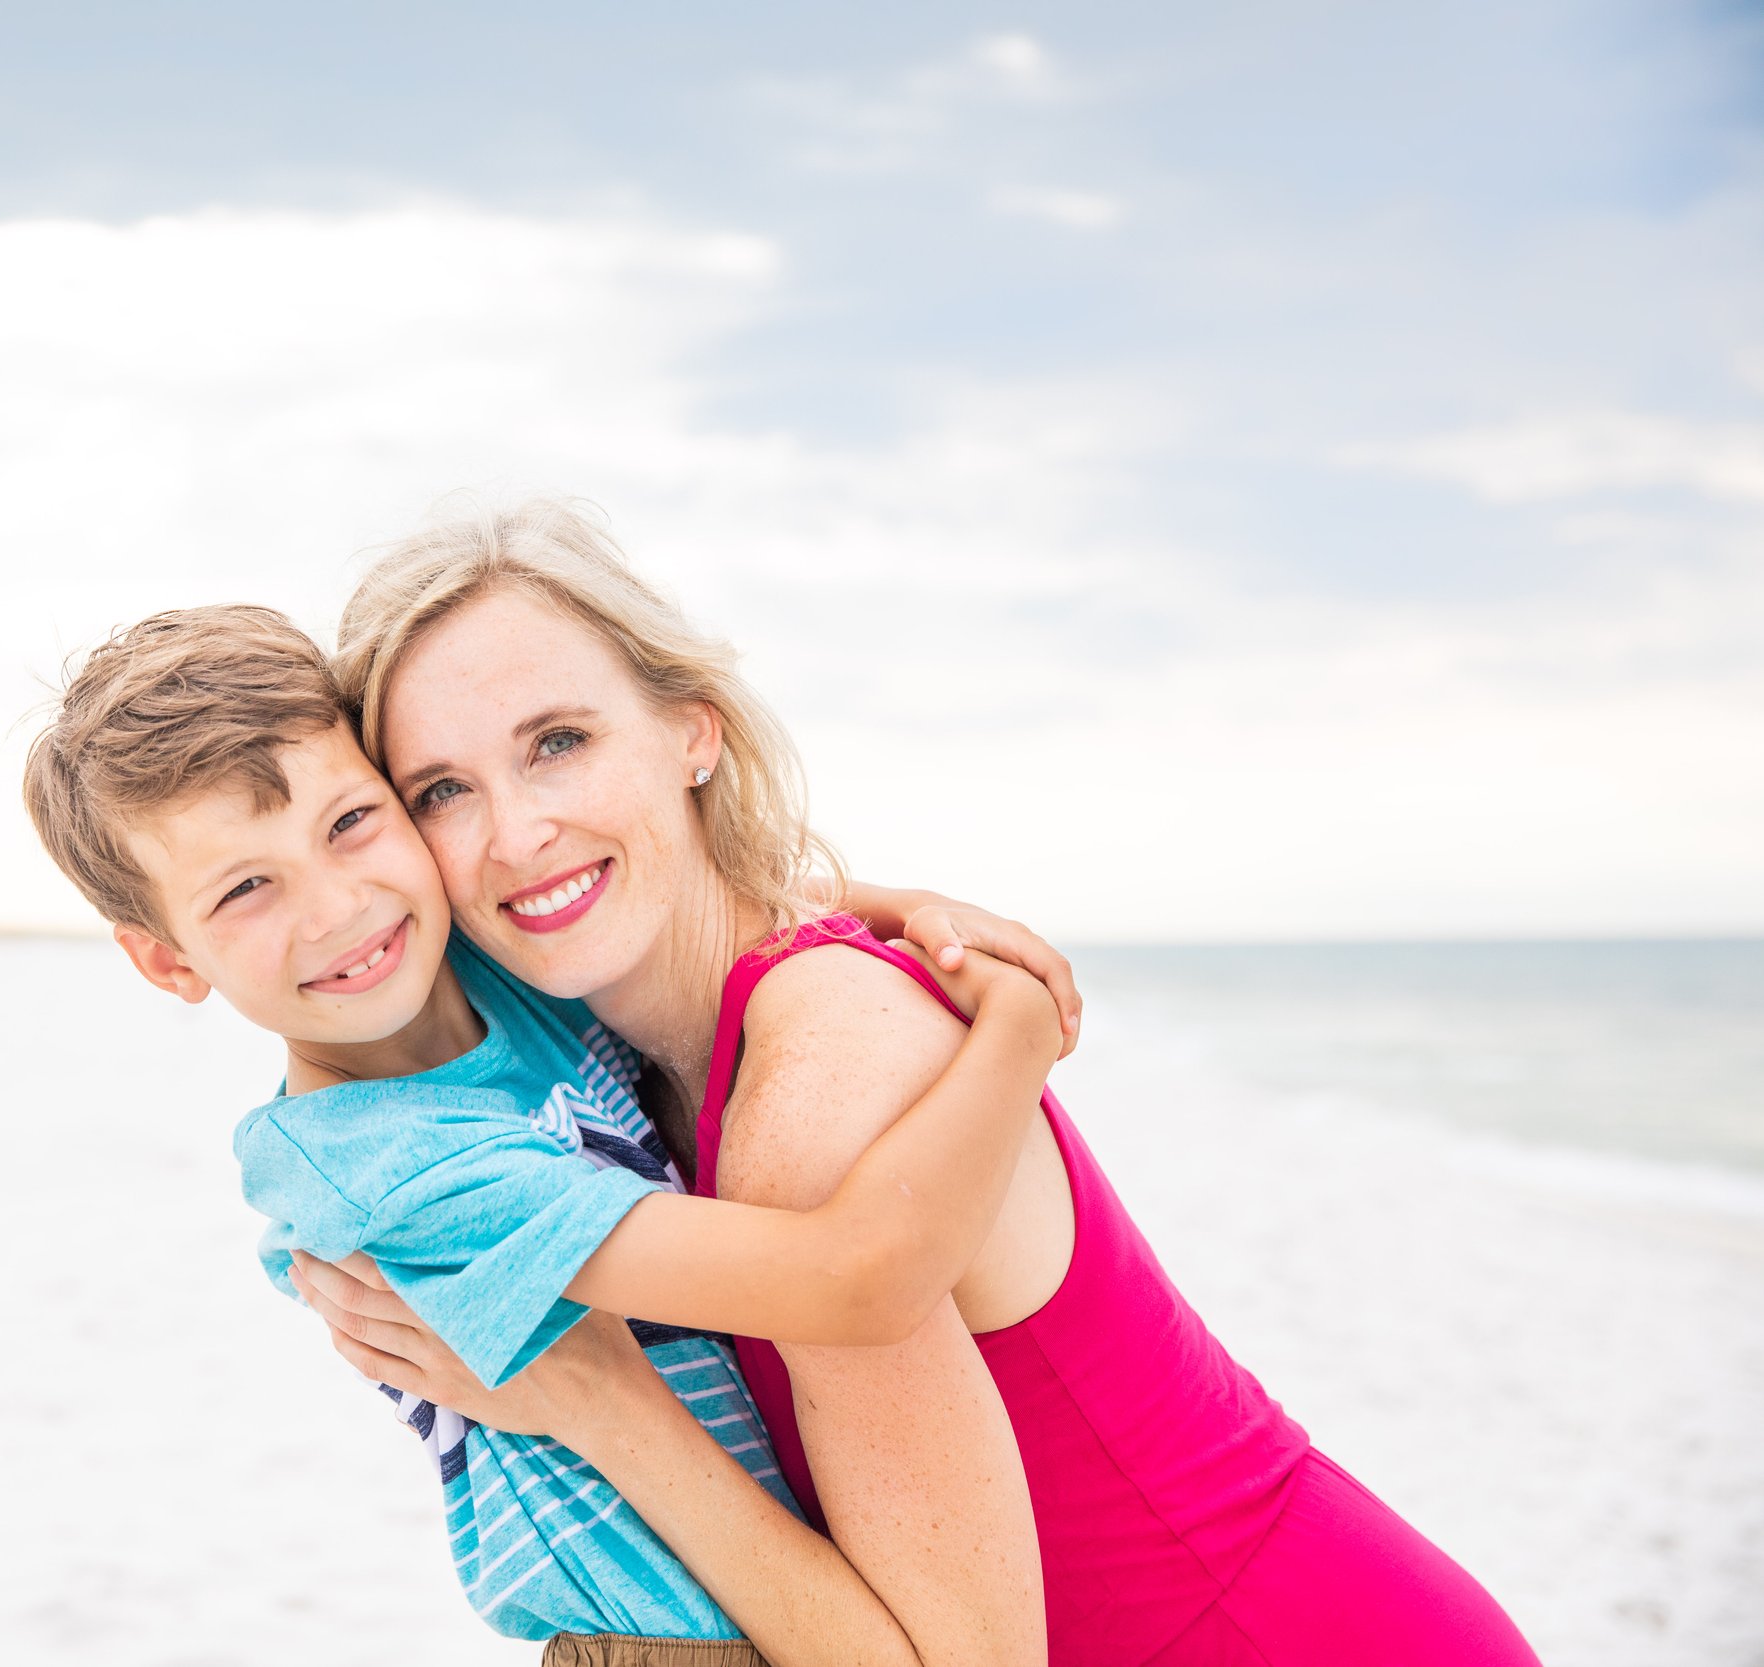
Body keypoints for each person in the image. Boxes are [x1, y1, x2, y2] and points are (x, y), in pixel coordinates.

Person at [307, 497, 1542, 1667]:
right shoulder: (607, 1045)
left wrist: (595, 1398)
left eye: (560, 742)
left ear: (694, 729)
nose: (515, 831)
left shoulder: (811, 1083)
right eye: (443, 791)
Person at [19, 604, 1073, 1665]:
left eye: (348, 823)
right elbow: (860, 1281)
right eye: (246, 887)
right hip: (664, 1637)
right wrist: (1018, 1029)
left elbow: (654, 886)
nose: (339, 908)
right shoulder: (388, 1167)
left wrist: (896, 906)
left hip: (761, 1569)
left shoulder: (471, 972)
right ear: (167, 959)